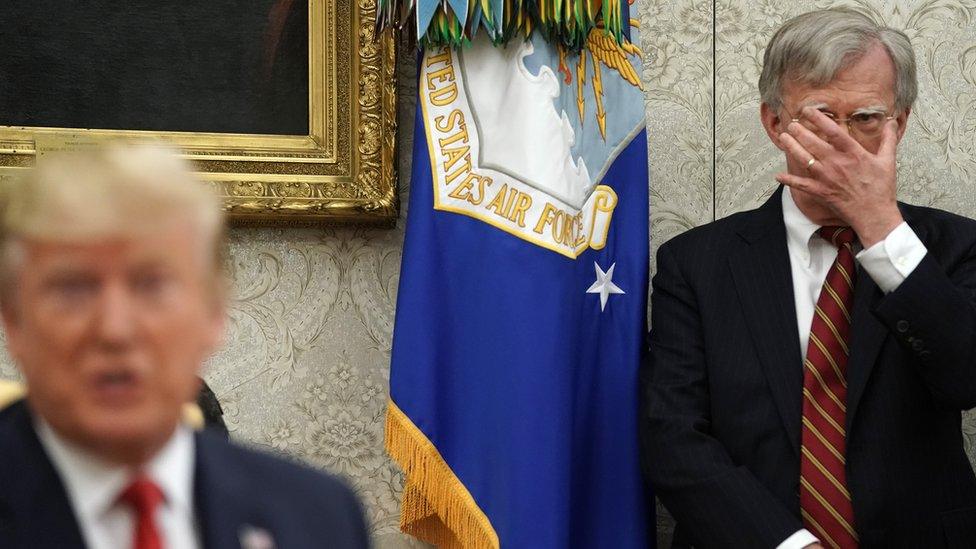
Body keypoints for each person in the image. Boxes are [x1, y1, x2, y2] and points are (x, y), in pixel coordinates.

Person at [641, 9, 976, 549]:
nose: (841, 143)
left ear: (901, 123)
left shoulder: (955, 247)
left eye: (867, 118)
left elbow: (966, 377)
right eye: (819, 117)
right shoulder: (696, 263)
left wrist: (879, 226)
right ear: (774, 123)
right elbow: (673, 436)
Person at [0, 145, 369, 549]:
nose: (114, 330)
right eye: (73, 289)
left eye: (151, 285)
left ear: (214, 314)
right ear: (14, 321)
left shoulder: (317, 515)